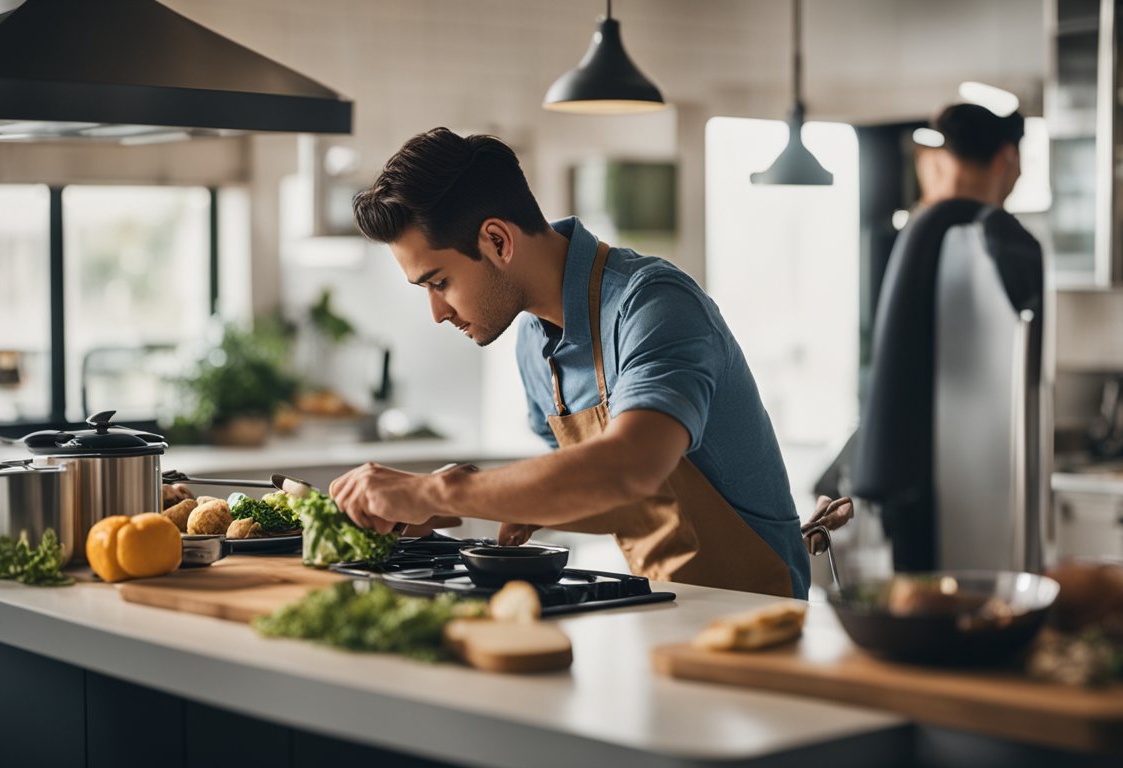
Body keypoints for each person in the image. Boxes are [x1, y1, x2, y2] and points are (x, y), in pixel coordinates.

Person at [329, 127, 852, 598]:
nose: (438, 313)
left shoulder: (653, 304)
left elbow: (631, 468)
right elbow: (591, 492)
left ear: (496, 240)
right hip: (659, 606)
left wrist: (439, 490)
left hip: (761, 614)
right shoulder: (532, 344)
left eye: (439, 282)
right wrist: (482, 504)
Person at [853, 102, 1043, 572]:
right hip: (953, 483)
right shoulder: (982, 229)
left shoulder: (922, 226)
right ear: (1007, 160)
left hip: (904, 470)